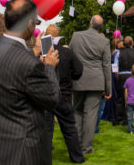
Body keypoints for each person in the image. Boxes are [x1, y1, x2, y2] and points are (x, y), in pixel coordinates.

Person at [0, 0, 60, 165]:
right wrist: (49, 66)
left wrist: (34, 51)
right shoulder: (29, 64)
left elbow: (13, 68)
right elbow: (52, 98)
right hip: (22, 153)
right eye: (36, 21)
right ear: (29, 24)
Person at [69, 15, 111, 155]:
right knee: (90, 115)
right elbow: (106, 66)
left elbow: (70, 57)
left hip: (78, 78)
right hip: (95, 81)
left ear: (90, 23)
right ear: (100, 27)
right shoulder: (104, 41)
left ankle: (77, 146)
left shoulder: (76, 36)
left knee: (77, 111)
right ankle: (86, 148)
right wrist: (108, 88)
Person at [44, 25, 85, 164]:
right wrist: (70, 78)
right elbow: (79, 69)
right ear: (58, 36)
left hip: (46, 93)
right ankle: (77, 158)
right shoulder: (67, 53)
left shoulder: (43, 53)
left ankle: (45, 157)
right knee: (69, 128)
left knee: (46, 128)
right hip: (63, 93)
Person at [113, 36, 134, 125]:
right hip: (132, 75)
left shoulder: (118, 52)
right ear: (132, 43)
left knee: (120, 98)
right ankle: (126, 120)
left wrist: (118, 75)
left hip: (121, 76)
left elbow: (115, 67)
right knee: (130, 98)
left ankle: (117, 120)